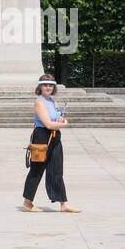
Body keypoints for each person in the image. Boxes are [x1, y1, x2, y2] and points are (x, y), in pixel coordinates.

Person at [21, 74, 80, 213]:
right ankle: (27, 203)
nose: (48, 87)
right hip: (42, 136)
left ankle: (63, 204)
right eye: (45, 85)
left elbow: (55, 118)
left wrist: (60, 119)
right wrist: (65, 124)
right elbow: (47, 124)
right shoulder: (39, 102)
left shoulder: (52, 101)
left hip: (55, 137)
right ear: (40, 87)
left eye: (50, 85)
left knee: (57, 170)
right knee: (37, 171)